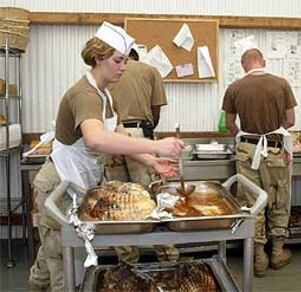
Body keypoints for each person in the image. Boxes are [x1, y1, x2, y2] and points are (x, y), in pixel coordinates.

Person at [29, 22, 185, 292]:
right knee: (63, 265)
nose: (124, 67)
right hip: (59, 185)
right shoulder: (84, 94)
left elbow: (123, 140)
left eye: (124, 60)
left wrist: (151, 160)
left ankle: (36, 284)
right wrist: (157, 146)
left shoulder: (106, 96)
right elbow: (96, 139)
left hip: (77, 184)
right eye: (118, 60)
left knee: (52, 251)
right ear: (98, 58)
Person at [222, 48, 297, 277]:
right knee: (278, 197)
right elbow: (291, 120)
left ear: (244, 65)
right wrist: (274, 131)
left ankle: (258, 257)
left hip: (247, 150)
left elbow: (229, 123)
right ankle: (277, 252)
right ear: (263, 61)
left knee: (252, 201)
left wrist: (243, 136)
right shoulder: (281, 84)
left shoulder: (235, 87)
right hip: (274, 148)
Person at [109, 46, 178, 263]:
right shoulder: (149, 70)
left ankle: (127, 261)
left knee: (117, 201)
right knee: (153, 199)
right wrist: (147, 131)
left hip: (110, 137)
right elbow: (155, 111)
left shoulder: (106, 72)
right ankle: (167, 258)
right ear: (136, 57)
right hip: (140, 134)